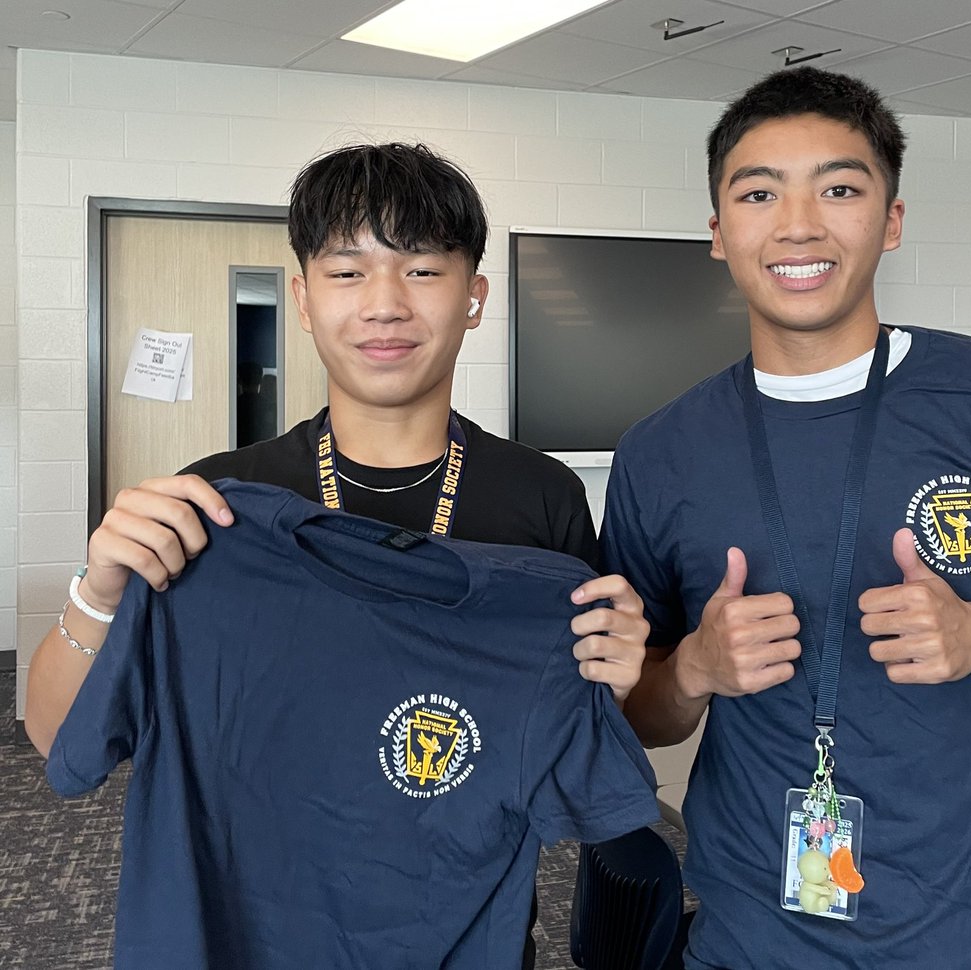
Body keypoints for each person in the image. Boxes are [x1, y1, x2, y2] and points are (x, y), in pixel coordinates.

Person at [26, 141, 650, 967]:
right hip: (243, 935)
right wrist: (98, 590)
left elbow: (589, 734)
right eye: (348, 271)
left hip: (461, 933)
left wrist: (622, 670)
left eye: (423, 270)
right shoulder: (215, 504)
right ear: (304, 298)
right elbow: (58, 740)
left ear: (474, 297)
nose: (384, 305)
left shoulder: (542, 500)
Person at [602, 67, 971, 969]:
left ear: (891, 221)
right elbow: (640, 711)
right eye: (759, 192)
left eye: (841, 188)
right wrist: (694, 666)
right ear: (718, 234)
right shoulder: (660, 451)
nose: (799, 223)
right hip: (757, 939)